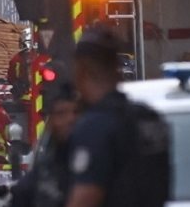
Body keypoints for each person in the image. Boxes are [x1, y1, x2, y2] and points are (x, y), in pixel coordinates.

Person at [66, 28, 170, 207]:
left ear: (81, 71)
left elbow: (86, 197)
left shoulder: (95, 126)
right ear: (117, 68)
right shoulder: (149, 118)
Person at [12, 81, 78, 207]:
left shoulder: (98, 160)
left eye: (76, 112)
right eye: (61, 113)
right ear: (51, 121)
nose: (70, 119)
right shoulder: (40, 176)